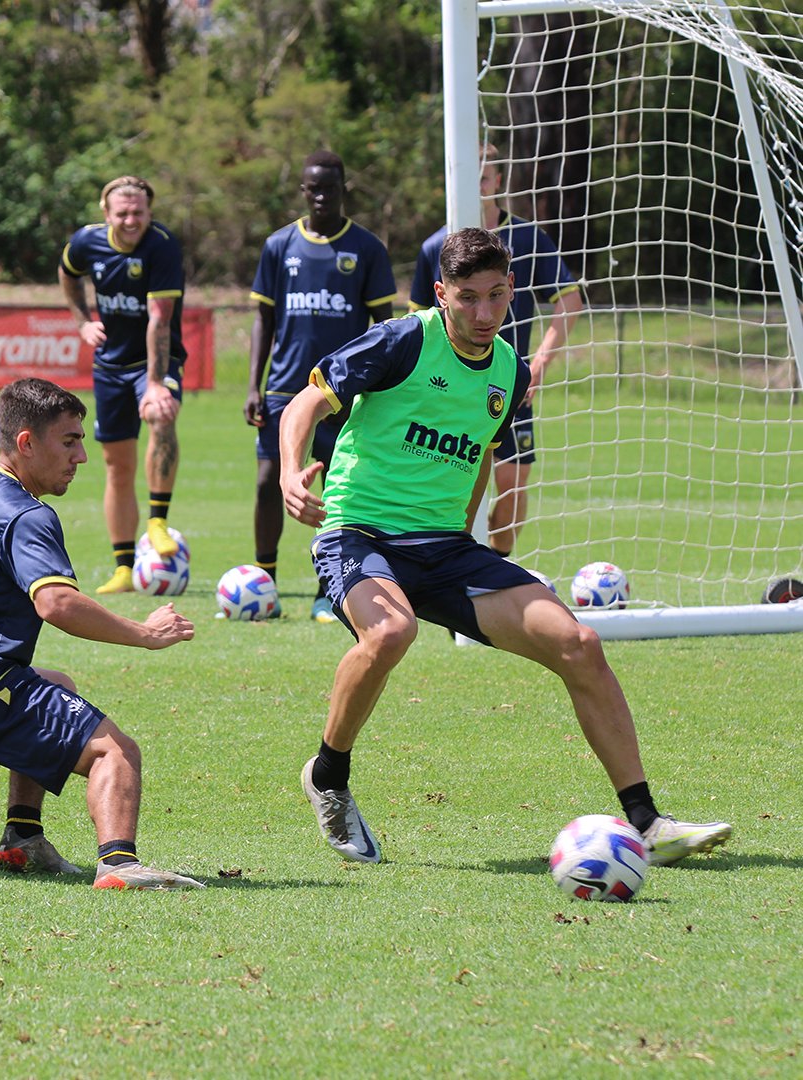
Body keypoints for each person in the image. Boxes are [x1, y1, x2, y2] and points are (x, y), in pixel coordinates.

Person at [279, 227, 731, 868]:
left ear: (513, 289)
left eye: (497, 296)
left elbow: (479, 460)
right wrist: (290, 470)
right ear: (441, 294)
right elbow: (304, 404)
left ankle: (647, 822)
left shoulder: (510, 373)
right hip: (360, 533)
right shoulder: (404, 340)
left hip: (446, 549)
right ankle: (328, 775)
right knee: (389, 634)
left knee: (580, 644)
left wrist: (469, 540)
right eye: (468, 298)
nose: (485, 314)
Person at [0, 377, 203, 890]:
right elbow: (57, 603)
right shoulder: (27, 515)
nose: (82, 456)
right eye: (69, 441)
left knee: (55, 684)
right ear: (27, 443)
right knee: (117, 752)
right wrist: (145, 632)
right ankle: (119, 866)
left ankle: (21, 839)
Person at [243, 150, 397, 622]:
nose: (323, 195)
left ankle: (327, 588)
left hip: (343, 392)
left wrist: (381, 386)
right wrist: (253, 384)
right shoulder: (279, 245)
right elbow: (263, 319)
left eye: (332, 187)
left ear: (343, 187)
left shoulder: (367, 249)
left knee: (338, 488)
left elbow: (384, 325)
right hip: (284, 387)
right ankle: (264, 581)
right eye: (315, 188)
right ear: (304, 191)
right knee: (271, 481)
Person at [409, 144, 584, 558]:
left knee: (511, 488)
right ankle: (449, 572)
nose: (477, 186)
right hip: (447, 390)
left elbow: (569, 302)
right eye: (470, 178)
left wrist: (538, 363)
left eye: (485, 178)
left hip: (504, 387)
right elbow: (416, 324)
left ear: (498, 181)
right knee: (450, 489)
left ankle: (493, 567)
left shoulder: (526, 236)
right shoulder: (435, 246)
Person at [58, 175, 186, 594]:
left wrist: (154, 383)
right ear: (107, 213)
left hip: (154, 361)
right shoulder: (86, 242)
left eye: (140, 212)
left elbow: (160, 319)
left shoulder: (162, 246)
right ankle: (125, 568)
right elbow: (67, 273)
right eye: (123, 213)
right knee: (116, 465)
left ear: (150, 211)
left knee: (160, 414)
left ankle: (158, 521)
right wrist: (82, 322)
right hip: (109, 366)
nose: (132, 220)